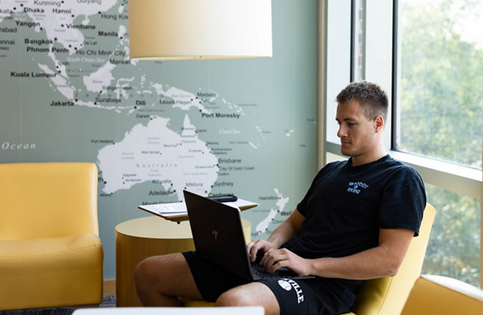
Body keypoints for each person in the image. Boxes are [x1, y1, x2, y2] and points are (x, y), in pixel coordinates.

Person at [134, 80, 426, 315]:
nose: (339, 132)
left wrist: (309, 265)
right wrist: (269, 243)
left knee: (234, 304)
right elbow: (295, 223)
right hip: (276, 266)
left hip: (321, 285)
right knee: (149, 272)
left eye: (350, 124)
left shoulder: (400, 179)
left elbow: (389, 261)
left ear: (377, 124)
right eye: (338, 122)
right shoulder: (332, 172)